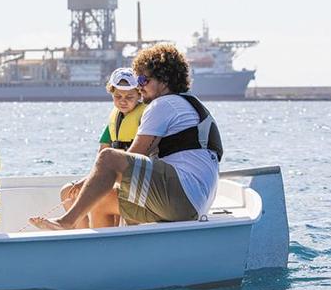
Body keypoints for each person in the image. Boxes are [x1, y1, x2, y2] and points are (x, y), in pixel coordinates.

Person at [30, 43, 223, 231]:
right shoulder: (187, 103)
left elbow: (132, 156)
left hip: (183, 196)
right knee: (100, 201)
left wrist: (92, 178)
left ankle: (67, 221)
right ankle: (101, 253)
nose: (139, 87)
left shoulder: (164, 105)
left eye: (143, 81)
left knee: (108, 157)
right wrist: (92, 184)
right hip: (193, 202)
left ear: (164, 81)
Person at [58, 67, 146, 228]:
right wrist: (84, 181)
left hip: (131, 182)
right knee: (68, 192)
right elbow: (101, 158)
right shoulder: (114, 120)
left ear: (140, 95)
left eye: (129, 97)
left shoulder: (144, 117)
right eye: (118, 96)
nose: (123, 100)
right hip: (111, 179)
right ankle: (81, 237)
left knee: (100, 198)